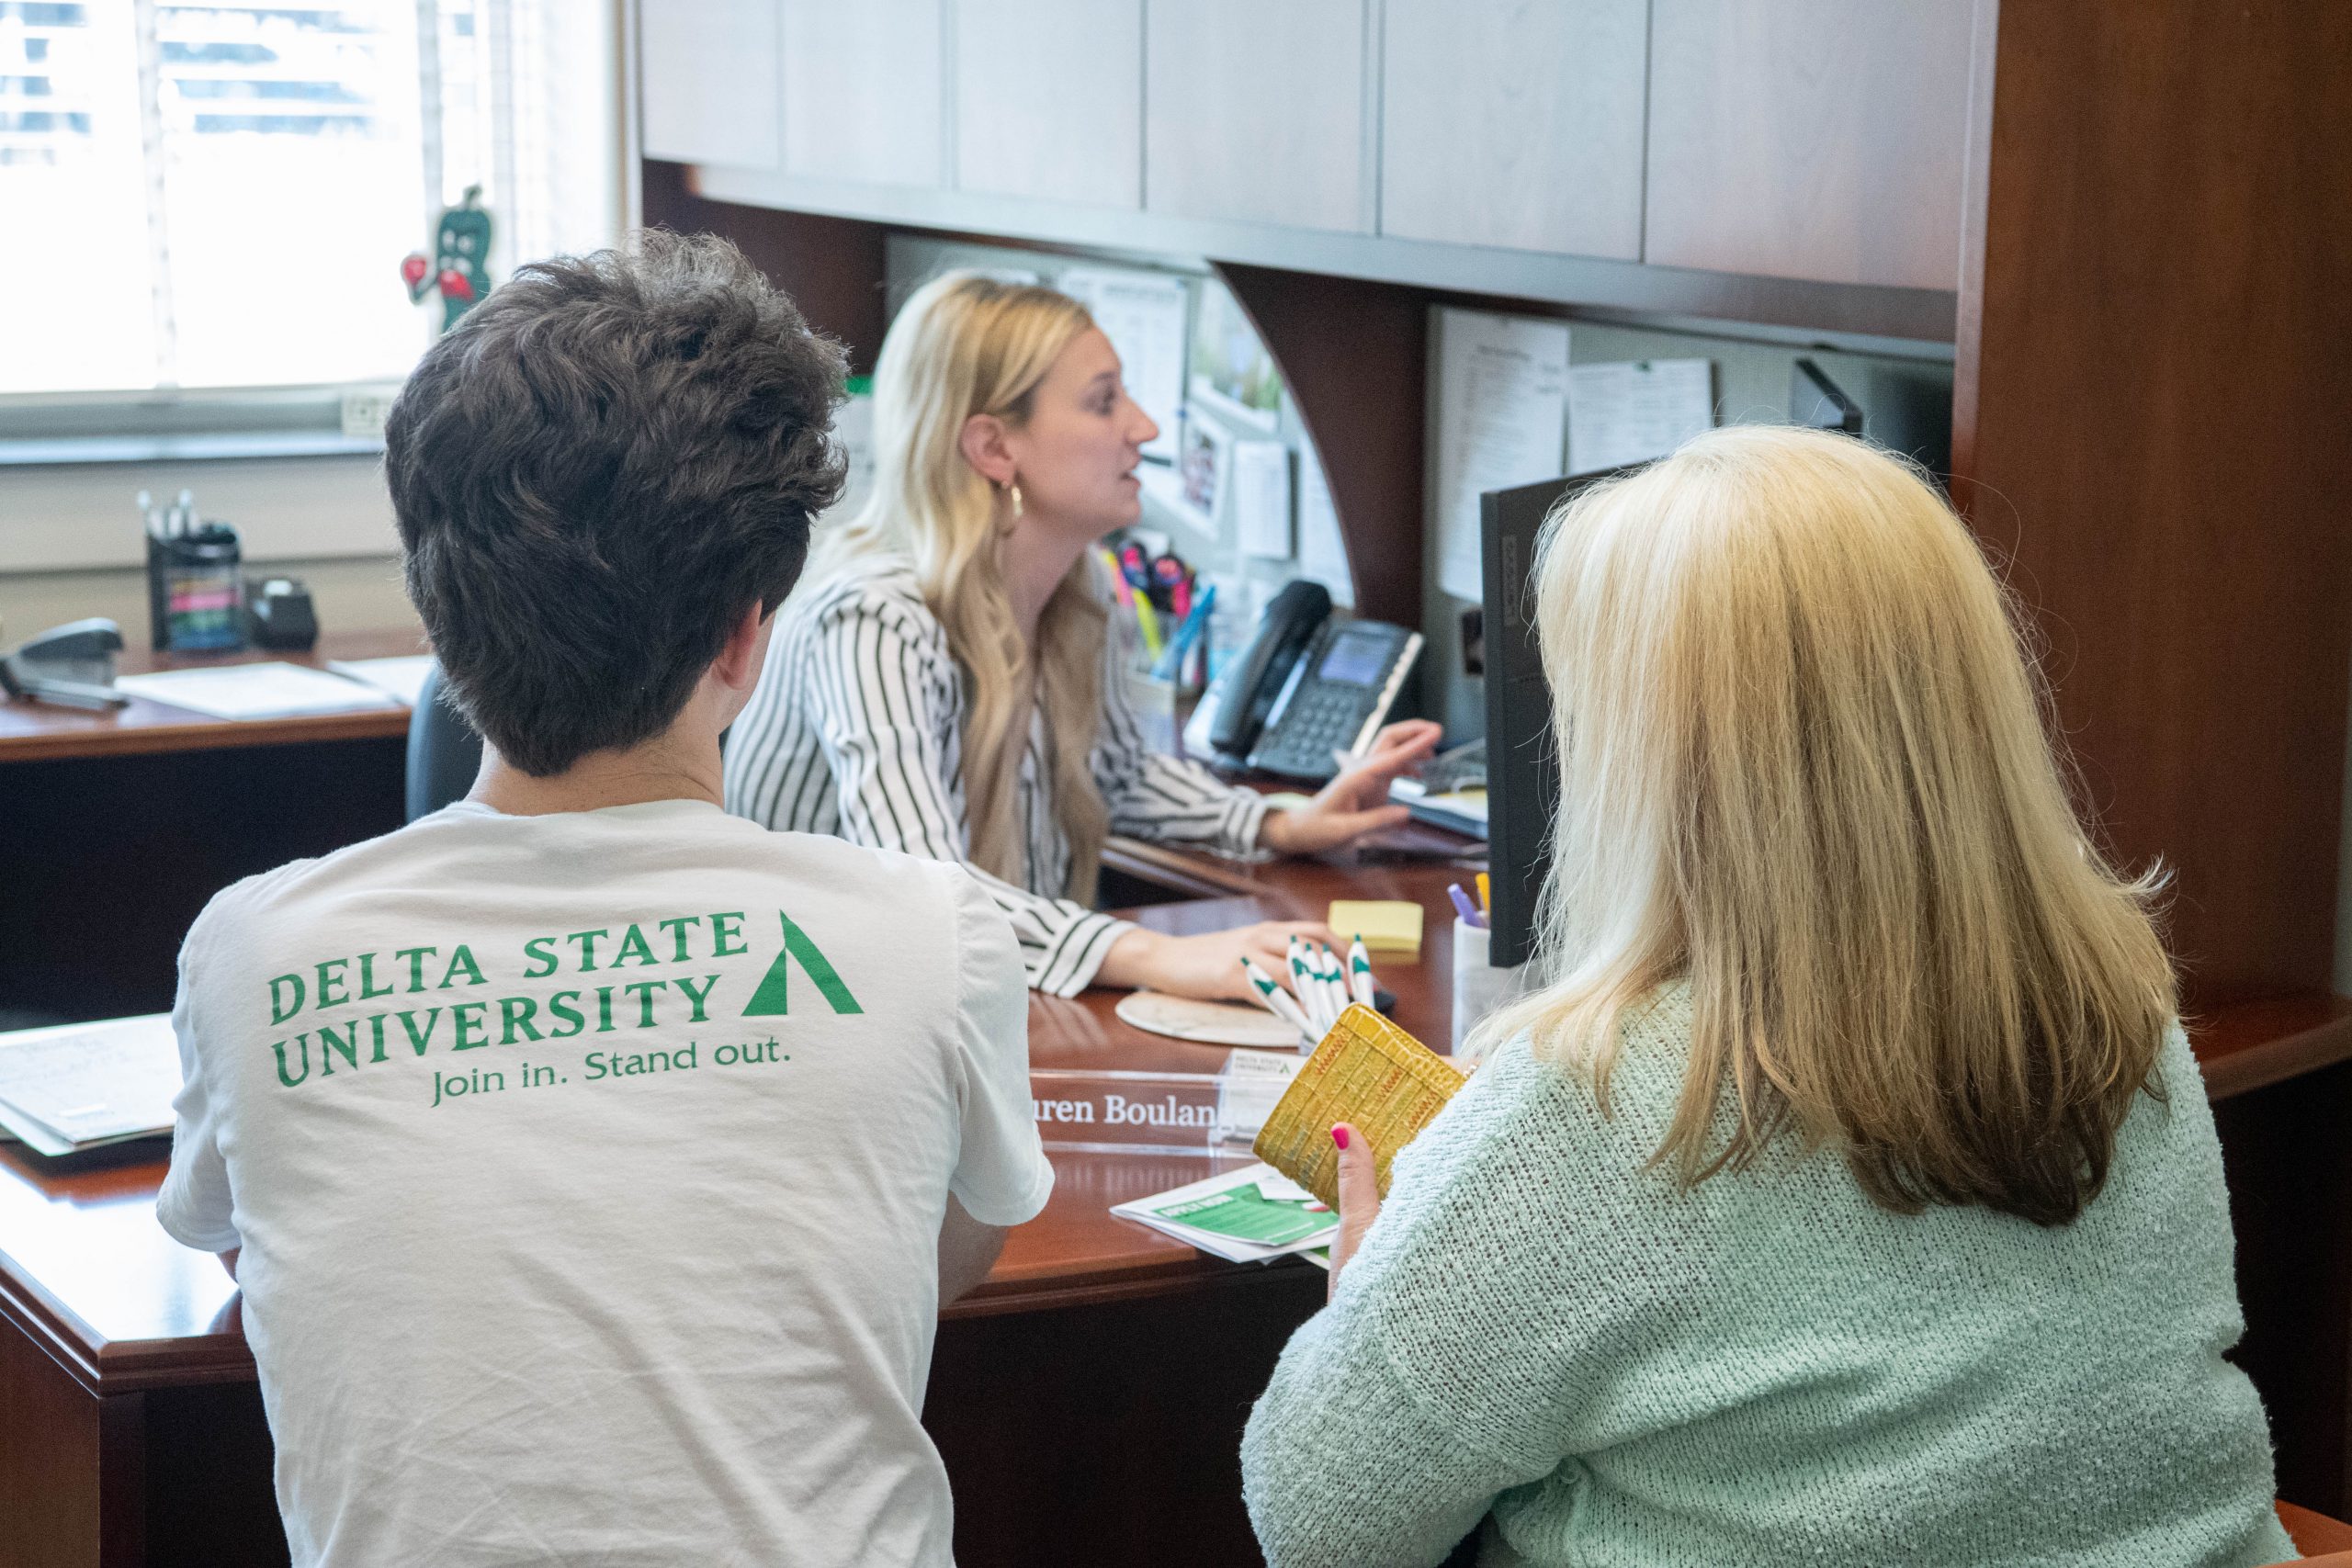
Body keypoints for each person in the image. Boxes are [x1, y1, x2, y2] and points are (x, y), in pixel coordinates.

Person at [1239, 426, 2294, 1568]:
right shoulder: (2124, 1022)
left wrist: (1369, 1294)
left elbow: (1322, 1525)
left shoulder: (1599, 1108)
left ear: (1652, 763)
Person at [155, 235, 1052, 1568]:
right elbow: (927, 1262)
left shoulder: (252, 952)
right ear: (748, 635)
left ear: (437, 619)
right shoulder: (934, 935)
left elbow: (264, 1255)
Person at [723, 271, 1442, 998]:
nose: (1145, 428)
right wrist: (1159, 954)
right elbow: (926, 888)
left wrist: (1280, 823)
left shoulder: (1076, 586)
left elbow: (1115, 775)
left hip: (962, 1003)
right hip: (835, 1028)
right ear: (994, 448)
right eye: (1105, 402)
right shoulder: (874, 621)